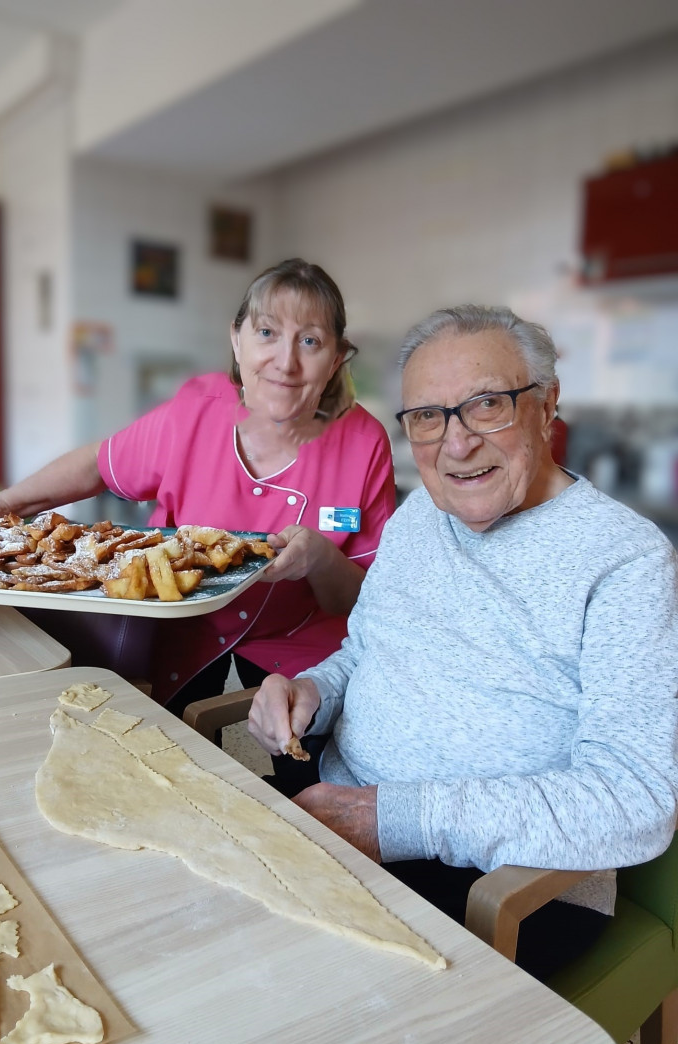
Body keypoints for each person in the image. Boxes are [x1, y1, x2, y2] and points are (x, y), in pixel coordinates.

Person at [247, 303, 678, 980]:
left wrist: (392, 819)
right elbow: (364, 650)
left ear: (546, 405)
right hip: (337, 802)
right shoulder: (421, 512)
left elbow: (635, 799)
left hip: (497, 886)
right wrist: (312, 693)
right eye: (427, 416)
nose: (456, 443)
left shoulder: (624, 559)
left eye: (485, 405)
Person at [0, 258, 396, 730]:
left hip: (301, 651)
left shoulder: (364, 443)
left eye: (310, 340)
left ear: (337, 358)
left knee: (300, 773)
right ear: (236, 339)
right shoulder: (196, 411)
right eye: (266, 333)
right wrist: (1, 504)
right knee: (155, 752)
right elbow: (99, 463)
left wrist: (321, 558)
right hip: (186, 635)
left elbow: (366, 599)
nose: (285, 361)